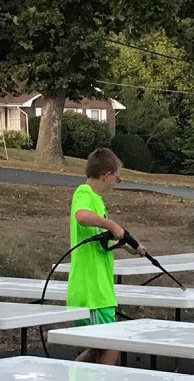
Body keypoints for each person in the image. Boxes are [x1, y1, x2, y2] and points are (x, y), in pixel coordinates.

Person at [66, 148, 145, 366]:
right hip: (92, 292)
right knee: (110, 346)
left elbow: (97, 238)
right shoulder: (84, 193)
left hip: (101, 291)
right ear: (107, 174)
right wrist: (111, 224)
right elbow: (81, 216)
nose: (116, 183)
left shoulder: (97, 201)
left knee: (97, 349)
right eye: (118, 179)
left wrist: (127, 246)